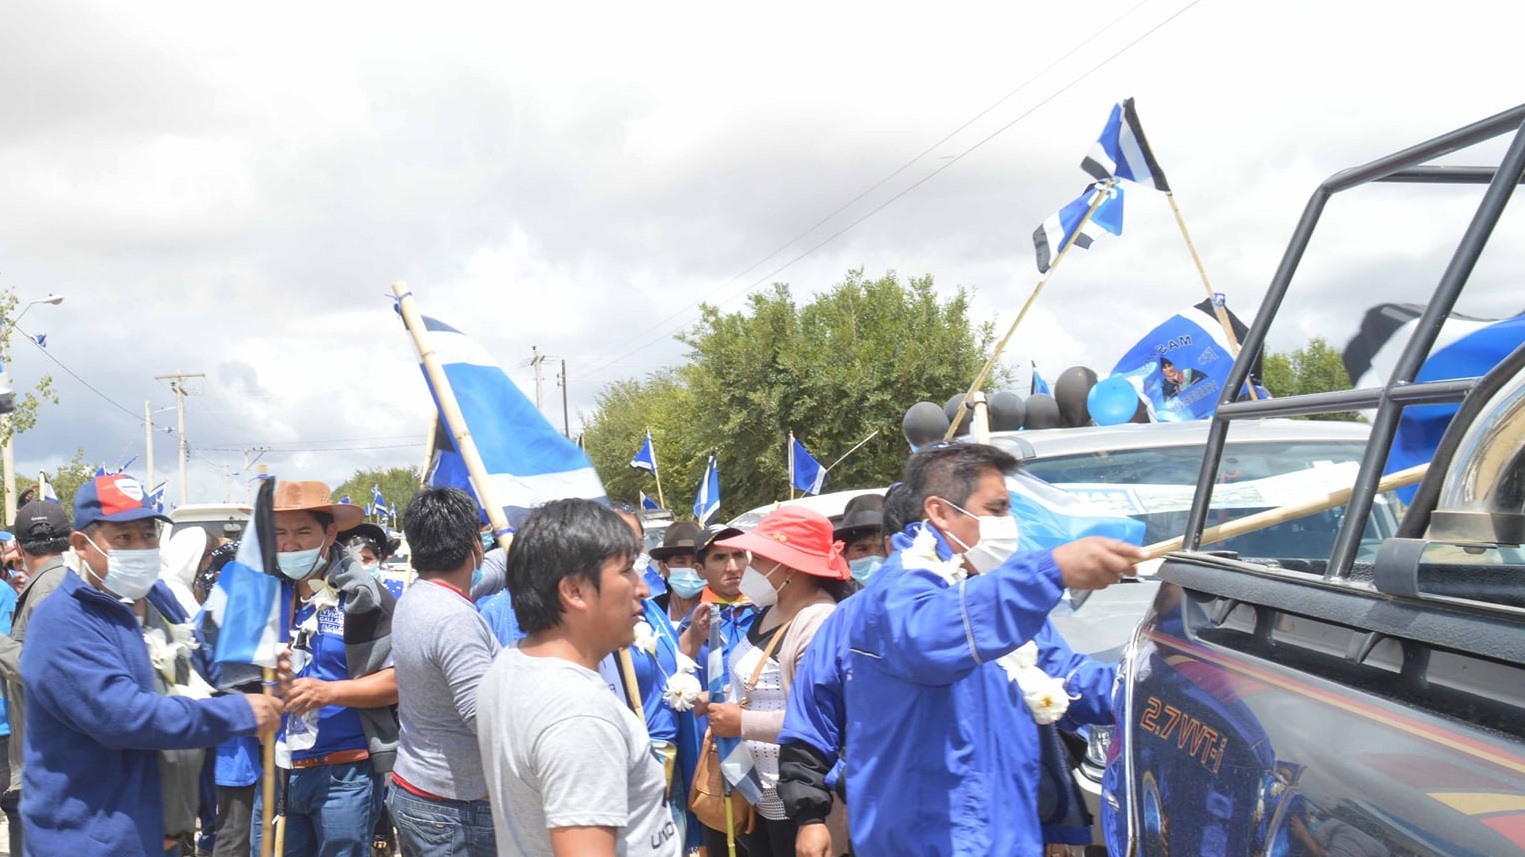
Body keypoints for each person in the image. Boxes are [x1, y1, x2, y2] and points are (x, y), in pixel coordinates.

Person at [843, 444, 1141, 856]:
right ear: (941, 512)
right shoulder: (898, 591)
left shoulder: (993, 589)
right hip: (932, 841)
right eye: (996, 509)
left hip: (1008, 834)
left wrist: (1148, 683)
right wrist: (1049, 569)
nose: (1009, 524)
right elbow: (930, 638)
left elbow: (1065, 678)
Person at [19, 474, 284, 855]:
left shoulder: (158, 598)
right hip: (90, 842)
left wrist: (259, 672)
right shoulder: (62, 622)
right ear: (81, 544)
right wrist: (237, 713)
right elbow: (127, 717)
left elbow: (201, 668)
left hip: (164, 836)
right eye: (123, 538)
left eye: (148, 535)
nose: (141, 548)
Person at [478, 498, 679, 857]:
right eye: (627, 571)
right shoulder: (580, 716)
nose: (643, 588)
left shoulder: (509, 666)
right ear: (574, 591)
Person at [252, 480, 398, 857]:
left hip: (344, 775)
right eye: (280, 533)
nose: (290, 544)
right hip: (277, 770)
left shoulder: (366, 599)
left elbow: (398, 680)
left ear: (330, 532)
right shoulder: (263, 593)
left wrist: (329, 692)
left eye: (303, 532)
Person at [696, 508, 851, 857]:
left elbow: (822, 720)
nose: (748, 568)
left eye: (760, 559)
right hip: (756, 789)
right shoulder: (769, 609)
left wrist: (742, 723)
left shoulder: (817, 621)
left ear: (789, 568)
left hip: (798, 797)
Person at [779, 484, 916, 857]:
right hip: (872, 810)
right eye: (861, 550)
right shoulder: (840, 622)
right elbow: (810, 720)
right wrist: (810, 816)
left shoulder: (966, 611)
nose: (874, 558)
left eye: (879, 548)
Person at [388, 487, 500, 856]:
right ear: (474, 544)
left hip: (419, 791)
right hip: (455, 812)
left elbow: (492, 572)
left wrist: (528, 549)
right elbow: (484, 717)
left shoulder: (417, 597)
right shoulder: (455, 620)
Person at [0, 499, 74, 856]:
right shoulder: (56, 580)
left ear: (21, 546)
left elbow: (39, 668)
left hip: (49, 757)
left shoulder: (46, 588)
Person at [649, 521, 704, 624]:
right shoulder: (652, 611)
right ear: (664, 568)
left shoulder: (720, 612)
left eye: (695, 562)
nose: (689, 569)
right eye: (680, 562)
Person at [834, 495, 886, 587]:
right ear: (844, 555)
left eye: (881, 548)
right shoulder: (835, 598)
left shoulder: (912, 596)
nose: (873, 557)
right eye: (863, 549)